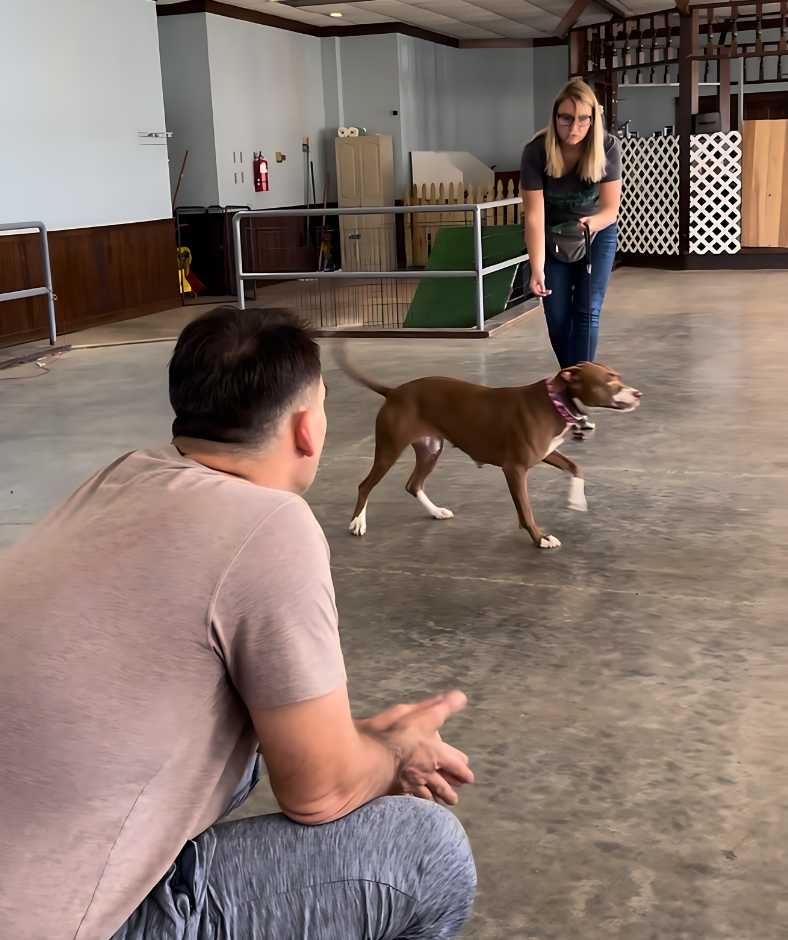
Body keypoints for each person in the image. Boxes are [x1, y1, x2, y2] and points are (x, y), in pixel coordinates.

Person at [0, 307, 476, 940]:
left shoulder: (117, 476)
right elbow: (320, 793)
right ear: (308, 428)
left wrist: (345, 738)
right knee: (426, 852)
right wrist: (388, 755)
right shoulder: (272, 525)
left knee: (248, 747)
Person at [520, 79, 622, 430]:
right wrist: (536, 267)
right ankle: (572, 388)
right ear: (555, 116)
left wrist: (591, 222)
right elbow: (533, 215)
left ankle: (575, 399)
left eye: (583, 119)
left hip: (596, 235)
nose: (573, 127)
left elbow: (611, 209)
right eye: (566, 118)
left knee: (587, 312)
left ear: (594, 119)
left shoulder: (607, 147)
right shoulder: (536, 151)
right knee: (557, 315)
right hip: (551, 238)